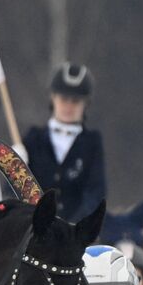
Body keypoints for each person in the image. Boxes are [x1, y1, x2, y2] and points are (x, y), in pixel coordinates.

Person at [22, 62, 107, 224]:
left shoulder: (92, 143)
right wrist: (12, 164)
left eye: (75, 101)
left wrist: (73, 226)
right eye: (64, 99)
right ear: (53, 98)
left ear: (85, 104)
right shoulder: (33, 139)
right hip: (35, 229)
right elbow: (13, 191)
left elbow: (95, 193)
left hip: (74, 232)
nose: (68, 106)